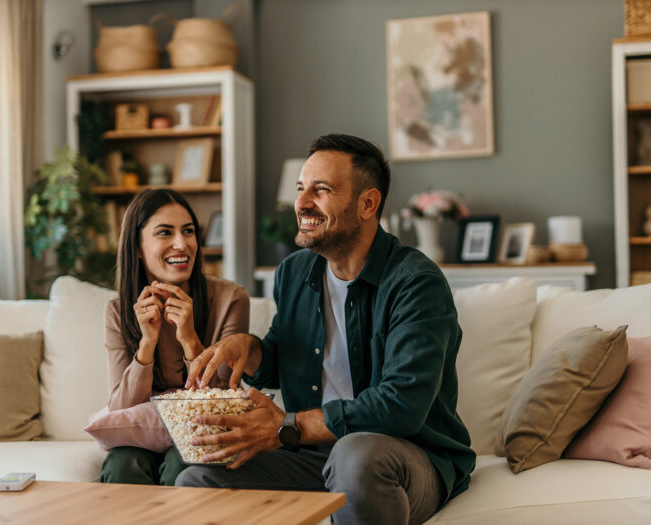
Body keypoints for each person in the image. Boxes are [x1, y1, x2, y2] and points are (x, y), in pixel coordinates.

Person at [177, 134, 475, 524]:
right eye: (301, 189)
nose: (301, 203)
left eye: (321, 190)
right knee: (199, 479)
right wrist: (246, 348)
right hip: (313, 455)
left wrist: (287, 426)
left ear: (368, 203)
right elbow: (282, 354)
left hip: (404, 456)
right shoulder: (294, 272)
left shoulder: (415, 281)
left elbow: (402, 406)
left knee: (356, 457)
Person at [99, 189, 250, 486]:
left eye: (189, 231)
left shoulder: (230, 299)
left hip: (202, 430)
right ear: (138, 247)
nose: (181, 244)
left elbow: (223, 400)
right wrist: (147, 345)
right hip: (143, 435)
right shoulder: (118, 311)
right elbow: (120, 408)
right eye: (165, 233)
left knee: (183, 460)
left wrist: (190, 340)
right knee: (121, 463)